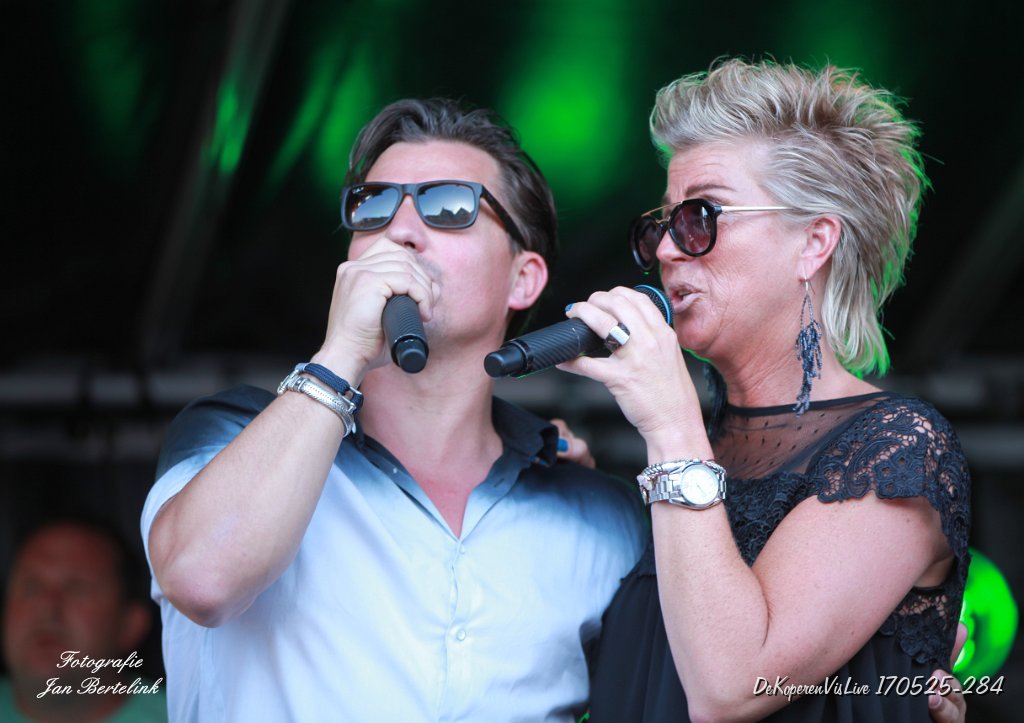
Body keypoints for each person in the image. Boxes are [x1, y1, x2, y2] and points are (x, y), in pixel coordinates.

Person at [141, 98, 646, 721]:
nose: (399, 230)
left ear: (524, 279)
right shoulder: (233, 432)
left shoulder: (600, 513)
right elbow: (201, 581)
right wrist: (341, 354)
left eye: (450, 206)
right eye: (373, 206)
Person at [558, 58, 971, 721]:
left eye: (700, 216)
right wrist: (583, 502)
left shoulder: (897, 448)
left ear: (814, 242)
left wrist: (671, 425)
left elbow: (730, 684)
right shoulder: (693, 458)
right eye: (661, 224)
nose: (666, 250)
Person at [2, 517, 167, 722]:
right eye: (31, 588)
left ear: (131, 625)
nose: (47, 609)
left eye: (77, 589)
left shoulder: (186, 716)